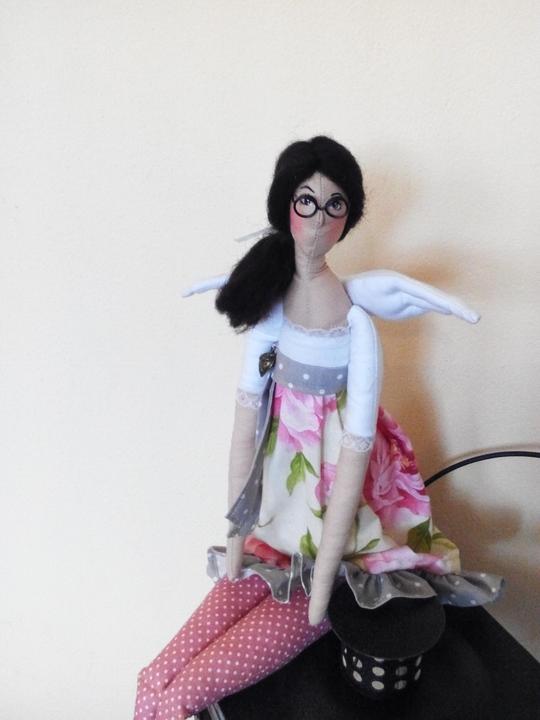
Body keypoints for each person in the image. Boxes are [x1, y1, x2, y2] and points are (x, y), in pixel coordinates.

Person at [134, 137, 502, 720]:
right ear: (285, 206)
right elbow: (244, 428)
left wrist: (326, 575)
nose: (318, 220)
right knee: (153, 681)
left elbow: (353, 457)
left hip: (337, 554)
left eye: (334, 206)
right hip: (269, 538)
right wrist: (235, 541)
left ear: (347, 218)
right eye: (306, 202)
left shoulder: (355, 324)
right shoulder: (273, 311)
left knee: (182, 695)